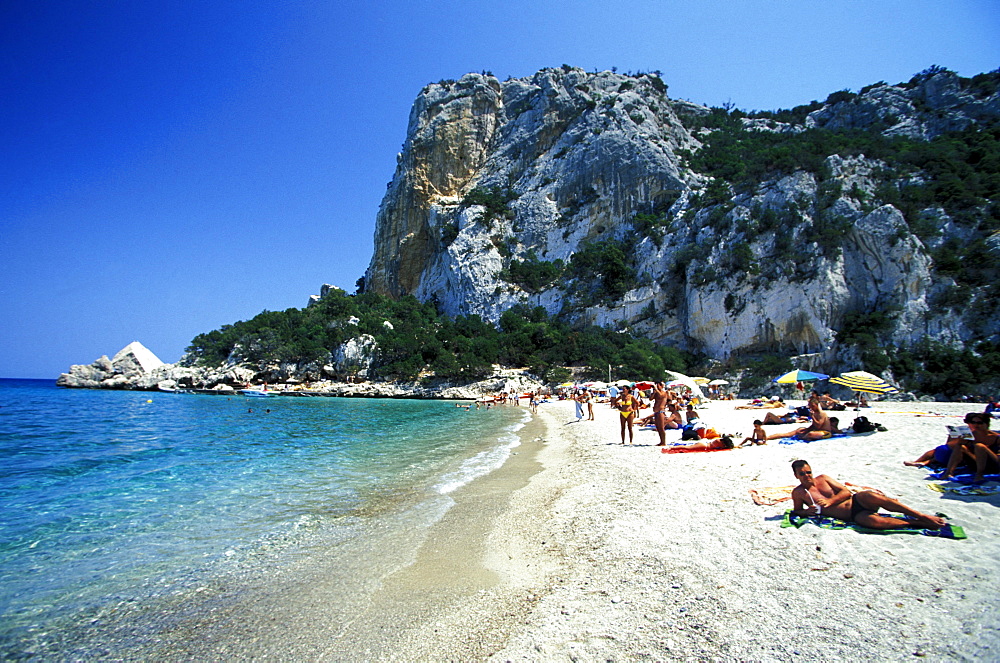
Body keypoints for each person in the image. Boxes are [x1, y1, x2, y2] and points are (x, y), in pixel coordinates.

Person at [791, 460, 945, 530]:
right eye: (802, 474)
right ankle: (915, 523)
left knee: (873, 496)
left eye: (808, 472)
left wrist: (830, 502)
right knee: (875, 523)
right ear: (796, 475)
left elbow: (846, 491)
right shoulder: (798, 493)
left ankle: (920, 515)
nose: (807, 476)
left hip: (857, 501)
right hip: (852, 515)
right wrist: (806, 512)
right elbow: (796, 511)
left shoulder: (823, 478)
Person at [940, 412, 1000, 482]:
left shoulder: (996, 437)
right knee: (961, 446)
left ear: (987, 424)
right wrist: (961, 442)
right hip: (976, 462)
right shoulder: (971, 435)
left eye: (979, 423)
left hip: (994, 464)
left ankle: (979, 475)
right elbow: (950, 445)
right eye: (973, 422)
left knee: (979, 446)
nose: (976, 425)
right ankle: (949, 472)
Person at [767, 400, 833, 441]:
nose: (811, 408)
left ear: (816, 405)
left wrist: (812, 416)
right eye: (810, 406)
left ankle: (802, 437)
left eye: (812, 406)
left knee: (810, 434)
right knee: (796, 431)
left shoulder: (822, 413)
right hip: (816, 430)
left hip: (825, 432)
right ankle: (767, 438)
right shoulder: (815, 413)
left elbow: (819, 426)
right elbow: (814, 425)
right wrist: (806, 429)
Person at [651, 381, 669, 446]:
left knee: (661, 428)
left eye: (658, 386)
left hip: (661, 411)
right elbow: (650, 399)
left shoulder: (664, 393)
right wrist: (653, 392)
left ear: (661, 386)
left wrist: (656, 389)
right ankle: (661, 441)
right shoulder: (656, 393)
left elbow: (661, 396)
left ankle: (664, 442)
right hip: (656, 412)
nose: (657, 387)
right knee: (658, 428)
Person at [664, 436, 735, 453]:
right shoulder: (719, 443)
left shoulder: (718, 443)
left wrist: (672, 448)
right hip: (705, 443)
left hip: (705, 444)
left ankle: (672, 447)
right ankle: (672, 447)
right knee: (688, 446)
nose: (719, 439)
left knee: (688, 447)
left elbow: (688, 448)